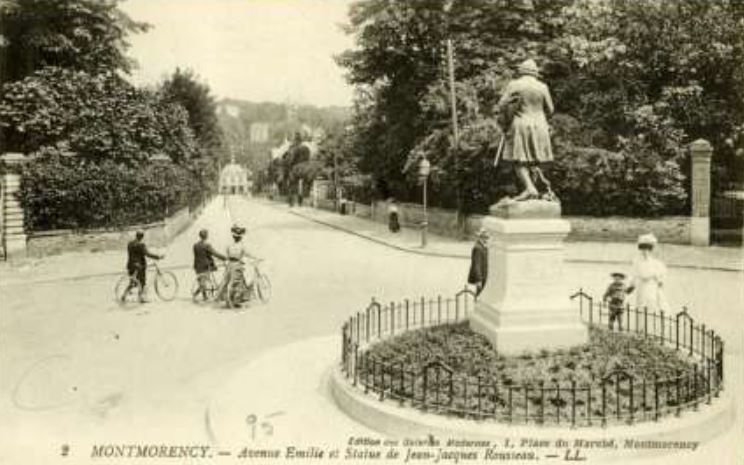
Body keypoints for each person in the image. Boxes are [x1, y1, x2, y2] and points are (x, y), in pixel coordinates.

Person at [496, 58, 555, 201]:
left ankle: (529, 188)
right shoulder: (543, 87)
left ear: (521, 71)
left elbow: (502, 104)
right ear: (535, 73)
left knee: (519, 160)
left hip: (521, 124)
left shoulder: (514, 84)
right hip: (540, 125)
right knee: (535, 160)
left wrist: (508, 115)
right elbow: (551, 109)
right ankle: (531, 190)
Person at [219, 224, 260, 306]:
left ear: (234, 237)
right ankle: (237, 300)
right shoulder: (241, 246)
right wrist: (256, 257)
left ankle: (226, 299)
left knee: (226, 281)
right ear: (240, 237)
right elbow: (248, 254)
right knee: (241, 280)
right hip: (237, 265)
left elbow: (227, 256)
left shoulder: (229, 246)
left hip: (230, 265)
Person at [629, 233, 670, 312]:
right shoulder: (637, 262)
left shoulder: (656, 263)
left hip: (651, 286)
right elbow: (634, 275)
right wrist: (631, 285)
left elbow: (661, 278)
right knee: (641, 305)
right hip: (641, 287)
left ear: (650, 250)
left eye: (647, 249)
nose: (644, 252)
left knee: (652, 304)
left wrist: (658, 280)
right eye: (642, 249)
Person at [126, 230, 164, 302]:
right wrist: (158, 257)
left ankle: (123, 295)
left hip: (130, 265)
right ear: (142, 237)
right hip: (139, 266)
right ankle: (142, 298)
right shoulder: (141, 245)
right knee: (142, 282)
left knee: (133, 282)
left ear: (136, 235)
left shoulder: (130, 243)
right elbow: (147, 254)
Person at [192, 229, 227, 301]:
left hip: (197, 266)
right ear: (206, 236)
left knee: (202, 281)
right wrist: (225, 258)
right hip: (206, 266)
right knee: (204, 281)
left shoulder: (195, 245)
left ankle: (203, 296)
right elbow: (215, 253)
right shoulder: (207, 245)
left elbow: (197, 256)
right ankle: (196, 294)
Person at [467, 227, 489, 298]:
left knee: (482, 296)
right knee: (480, 296)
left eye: (486, 237)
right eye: (484, 237)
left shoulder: (484, 247)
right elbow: (477, 265)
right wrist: (478, 279)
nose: (485, 239)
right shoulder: (478, 248)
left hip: (485, 276)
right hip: (481, 277)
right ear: (479, 238)